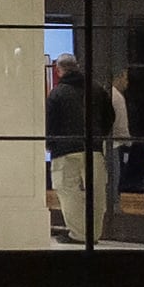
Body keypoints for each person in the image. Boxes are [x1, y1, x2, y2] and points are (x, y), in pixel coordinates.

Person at [43, 58, 111, 244]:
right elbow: (109, 117)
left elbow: (50, 122)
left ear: (59, 70)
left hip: (64, 149)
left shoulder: (57, 93)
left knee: (67, 190)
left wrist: (50, 143)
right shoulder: (96, 89)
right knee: (96, 191)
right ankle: (94, 233)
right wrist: (99, 136)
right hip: (93, 148)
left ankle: (79, 233)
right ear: (78, 67)